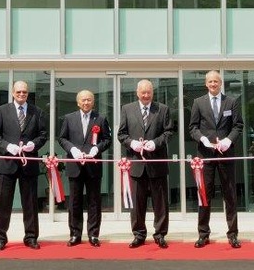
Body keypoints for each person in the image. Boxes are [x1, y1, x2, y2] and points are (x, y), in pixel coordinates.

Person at [0, 80, 48, 250]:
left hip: (28, 164)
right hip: (6, 163)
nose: (22, 94)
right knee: (3, 203)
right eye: (19, 92)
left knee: (30, 203)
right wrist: (8, 147)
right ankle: (1, 237)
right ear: (13, 93)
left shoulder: (37, 112)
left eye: (25, 92)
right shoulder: (3, 110)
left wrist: (33, 145)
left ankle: (31, 237)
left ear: (28, 93)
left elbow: (43, 135)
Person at [189, 69, 244, 248]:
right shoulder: (198, 102)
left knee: (230, 194)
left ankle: (233, 234)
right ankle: (203, 234)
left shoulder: (231, 102)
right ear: (206, 84)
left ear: (221, 83)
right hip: (205, 156)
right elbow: (193, 128)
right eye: (210, 81)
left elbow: (238, 125)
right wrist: (203, 139)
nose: (213, 84)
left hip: (226, 154)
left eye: (216, 81)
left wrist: (228, 140)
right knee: (204, 194)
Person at [117, 79, 173, 249]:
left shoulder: (163, 109)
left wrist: (155, 143)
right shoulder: (127, 109)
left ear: (152, 93)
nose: (146, 95)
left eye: (149, 92)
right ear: (137, 93)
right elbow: (121, 134)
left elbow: (169, 132)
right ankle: (139, 234)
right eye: (143, 92)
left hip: (157, 164)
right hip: (136, 165)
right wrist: (132, 143)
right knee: (137, 204)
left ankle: (160, 234)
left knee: (160, 203)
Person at [58, 89, 112, 247]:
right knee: (74, 201)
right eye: (83, 100)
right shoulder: (69, 118)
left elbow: (107, 139)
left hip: (93, 166)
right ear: (78, 102)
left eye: (89, 100)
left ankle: (93, 234)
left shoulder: (100, 119)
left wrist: (97, 149)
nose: (86, 102)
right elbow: (62, 138)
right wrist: (73, 150)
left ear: (93, 102)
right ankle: (75, 234)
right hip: (75, 165)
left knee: (94, 201)